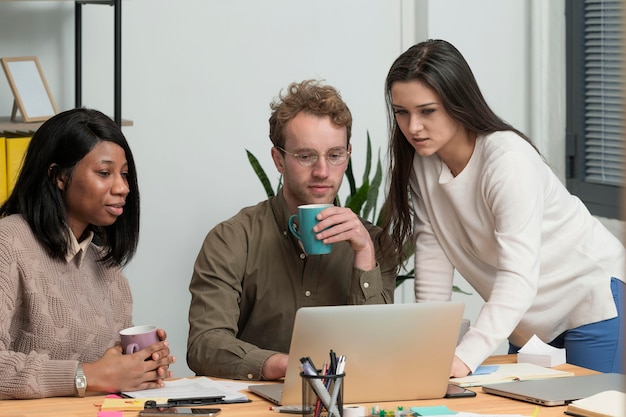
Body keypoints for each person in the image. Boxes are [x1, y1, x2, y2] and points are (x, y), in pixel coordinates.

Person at [381, 39, 625, 376]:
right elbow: (433, 257)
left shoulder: (507, 161)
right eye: (402, 113)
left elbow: (517, 275)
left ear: (457, 102)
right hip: (526, 320)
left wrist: (465, 357)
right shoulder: (422, 166)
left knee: (590, 410)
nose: (413, 127)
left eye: (427, 111)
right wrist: (432, 348)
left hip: (590, 299)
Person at [187, 79, 398, 381]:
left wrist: (364, 256)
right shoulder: (231, 239)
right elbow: (204, 345)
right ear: (278, 159)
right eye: (306, 156)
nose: (323, 171)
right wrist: (279, 366)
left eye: (335, 155)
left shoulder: (373, 243)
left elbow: (381, 351)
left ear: (348, 155)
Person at [0, 108, 175, 399]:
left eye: (124, 175)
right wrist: (85, 375)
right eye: (104, 173)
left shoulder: (107, 268)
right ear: (58, 176)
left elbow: (107, 374)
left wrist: (140, 368)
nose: (122, 188)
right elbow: (93, 375)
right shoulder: (9, 241)